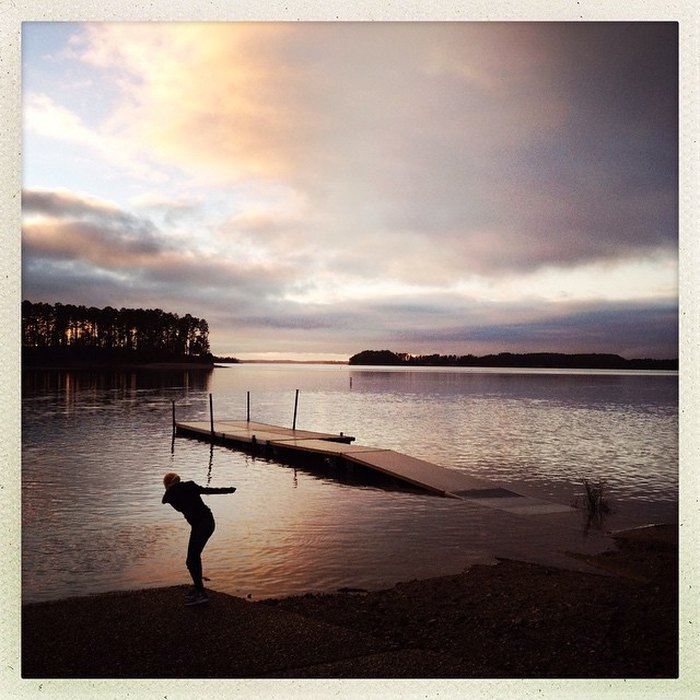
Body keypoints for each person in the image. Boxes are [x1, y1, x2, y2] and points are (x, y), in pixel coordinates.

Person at [162, 472, 236, 606]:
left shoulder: (171, 495)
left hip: (202, 525)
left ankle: (201, 593)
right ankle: (198, 589)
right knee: (193, 558)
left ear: (168, 485)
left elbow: (165, 499)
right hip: (205, 522)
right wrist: (228, 490)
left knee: (192, 559)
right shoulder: (189, 486)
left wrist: (228, 491)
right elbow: (209, 491)